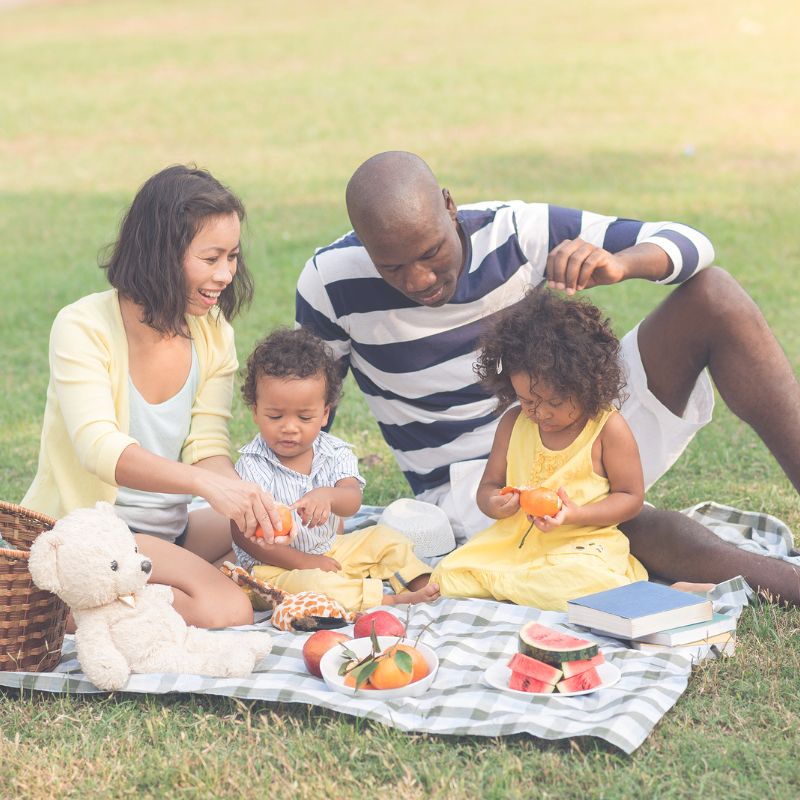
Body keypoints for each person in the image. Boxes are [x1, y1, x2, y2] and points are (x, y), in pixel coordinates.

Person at [296, 150, 800, 605]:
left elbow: (693, 244)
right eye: (392, 266)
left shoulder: (516, 232)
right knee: (615, 529)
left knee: (713, 294)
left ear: (450, 207)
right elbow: (309, 415)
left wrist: (622, 264)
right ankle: (787, 587)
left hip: (577, 415)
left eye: (431, 252)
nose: (419, 279)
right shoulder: (330, 282)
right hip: (479, 488)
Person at [23, 165, 286, 628]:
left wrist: (238, 494)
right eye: (211, 259)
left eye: (233, 257)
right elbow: (99, 448)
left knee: (271, 541)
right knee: (228, 607)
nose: (226, 274)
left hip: (166, 531)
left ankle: (125, 594)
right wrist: (204, 486)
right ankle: (61, 605)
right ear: (161, 253)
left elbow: (206, 445)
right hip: (95, 535)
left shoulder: (213, 333)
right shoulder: (83, 326)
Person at [432, 289, 709, 609]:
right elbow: (488, 487)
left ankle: (665, 593)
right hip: (515, 545)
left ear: (587, 385)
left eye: (555, 402)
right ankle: (522, 585)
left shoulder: (607, 428)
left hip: (581, 546)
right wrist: (496, 503)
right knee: (448, 575)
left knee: (582, 581)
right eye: (528, 400)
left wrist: (574, 515)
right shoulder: (513, 423)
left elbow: (631, 499)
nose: (540, 413)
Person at [230, 327, 440, 611]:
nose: (290, 427)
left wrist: (328, 496)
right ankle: (386, 599)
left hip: (331, 549)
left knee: (385, 537)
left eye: (305, 417)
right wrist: (305, 563)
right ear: (255, 411)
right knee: (316, 588)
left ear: (325, 413)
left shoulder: (334, 452)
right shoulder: (252, 465)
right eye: (275, 415)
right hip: (275, 570)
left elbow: (352, 500)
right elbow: (242, 534)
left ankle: (419, 581)